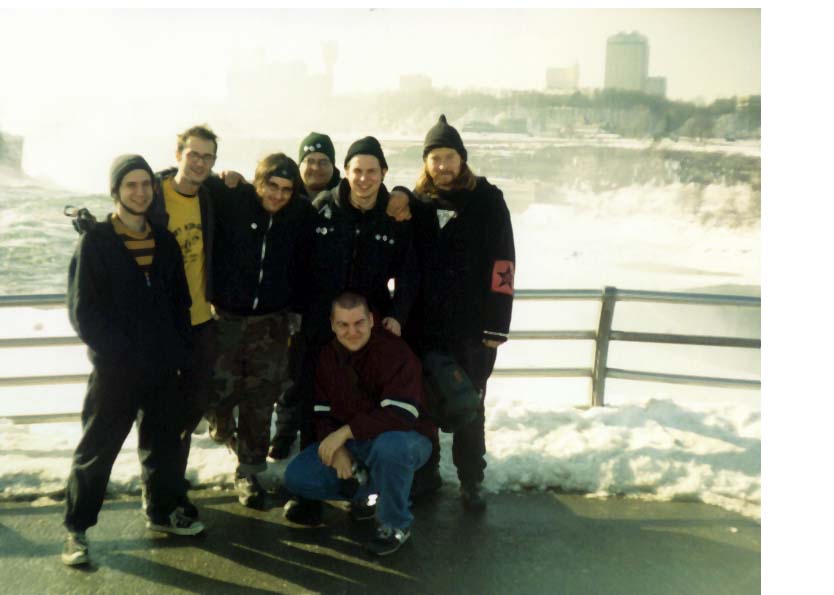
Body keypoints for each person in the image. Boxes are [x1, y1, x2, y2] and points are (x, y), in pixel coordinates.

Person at [61, 155, 204, 567]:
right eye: (131, 185)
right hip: (115, 371)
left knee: (162, 447)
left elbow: (181, 305)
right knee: (97, 450)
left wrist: (179, 353)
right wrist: (118, 354)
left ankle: (161, 512)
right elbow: (82, 312)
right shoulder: (96, 242)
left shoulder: (165, 241)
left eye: (145, 184)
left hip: (162, 368)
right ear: (116, 191)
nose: (140, 192)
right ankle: (76, 529)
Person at [282, 136, 423, 525]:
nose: (364, 178)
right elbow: (295, 263)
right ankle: (310, 493)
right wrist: (296, 315)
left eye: (372, 171)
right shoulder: (322, 209)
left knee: (366, 400)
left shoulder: (394, 216)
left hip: (367, 327)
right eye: (357, 170)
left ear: (384, 174)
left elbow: (409, 274)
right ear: (344, 172)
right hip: (320, 325)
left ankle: (366, 484)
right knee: (313, 403)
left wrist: (398, 315)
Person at [400, 114, 516, 511]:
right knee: (423, 402)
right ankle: (427, 472)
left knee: (469, 404)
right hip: (423, 327)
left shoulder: (487, 200)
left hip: (472, 329)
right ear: (425, 162)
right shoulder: (418, 204)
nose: (443, 165)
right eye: (435, 158)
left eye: (449, 157)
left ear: (462, 158)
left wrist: (497, 325)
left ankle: (471, 479)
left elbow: (504, 265)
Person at [202, 153, 316, 508]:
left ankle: (249, 473)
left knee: (260, 401)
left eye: (286, 189)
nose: (278, 195)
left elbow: (309, 260)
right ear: (258, 182)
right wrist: (222, 176)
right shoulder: (233, 198)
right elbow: (186, 180)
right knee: (215, 393)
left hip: (272, 322)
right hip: (225, 318)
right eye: (271, 186)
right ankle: (222, 428)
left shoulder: (300, 213)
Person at [283, 292, 434, 556]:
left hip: (405, 438)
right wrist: (338, 451)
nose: (352, 332)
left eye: (359, 323)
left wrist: (345, 433)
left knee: (390, 448)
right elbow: (322, 412)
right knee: (297, 475)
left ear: (372, 320)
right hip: (357, 443)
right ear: (332, 324)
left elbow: (400, 415)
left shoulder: (395, 351)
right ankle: (362, 492)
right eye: (343, 324)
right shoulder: (327, 356)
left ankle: (395, 524)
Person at [146, 124, 219, 521]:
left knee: (190, 412)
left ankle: (172, 486)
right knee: (160, 414)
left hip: (201, 322)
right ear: (178, 155)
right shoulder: (153, 196)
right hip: (161, 326)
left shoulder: (208, 197)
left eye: (208, 157)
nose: (200, 163)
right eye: (194, 155)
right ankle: (159, 494)